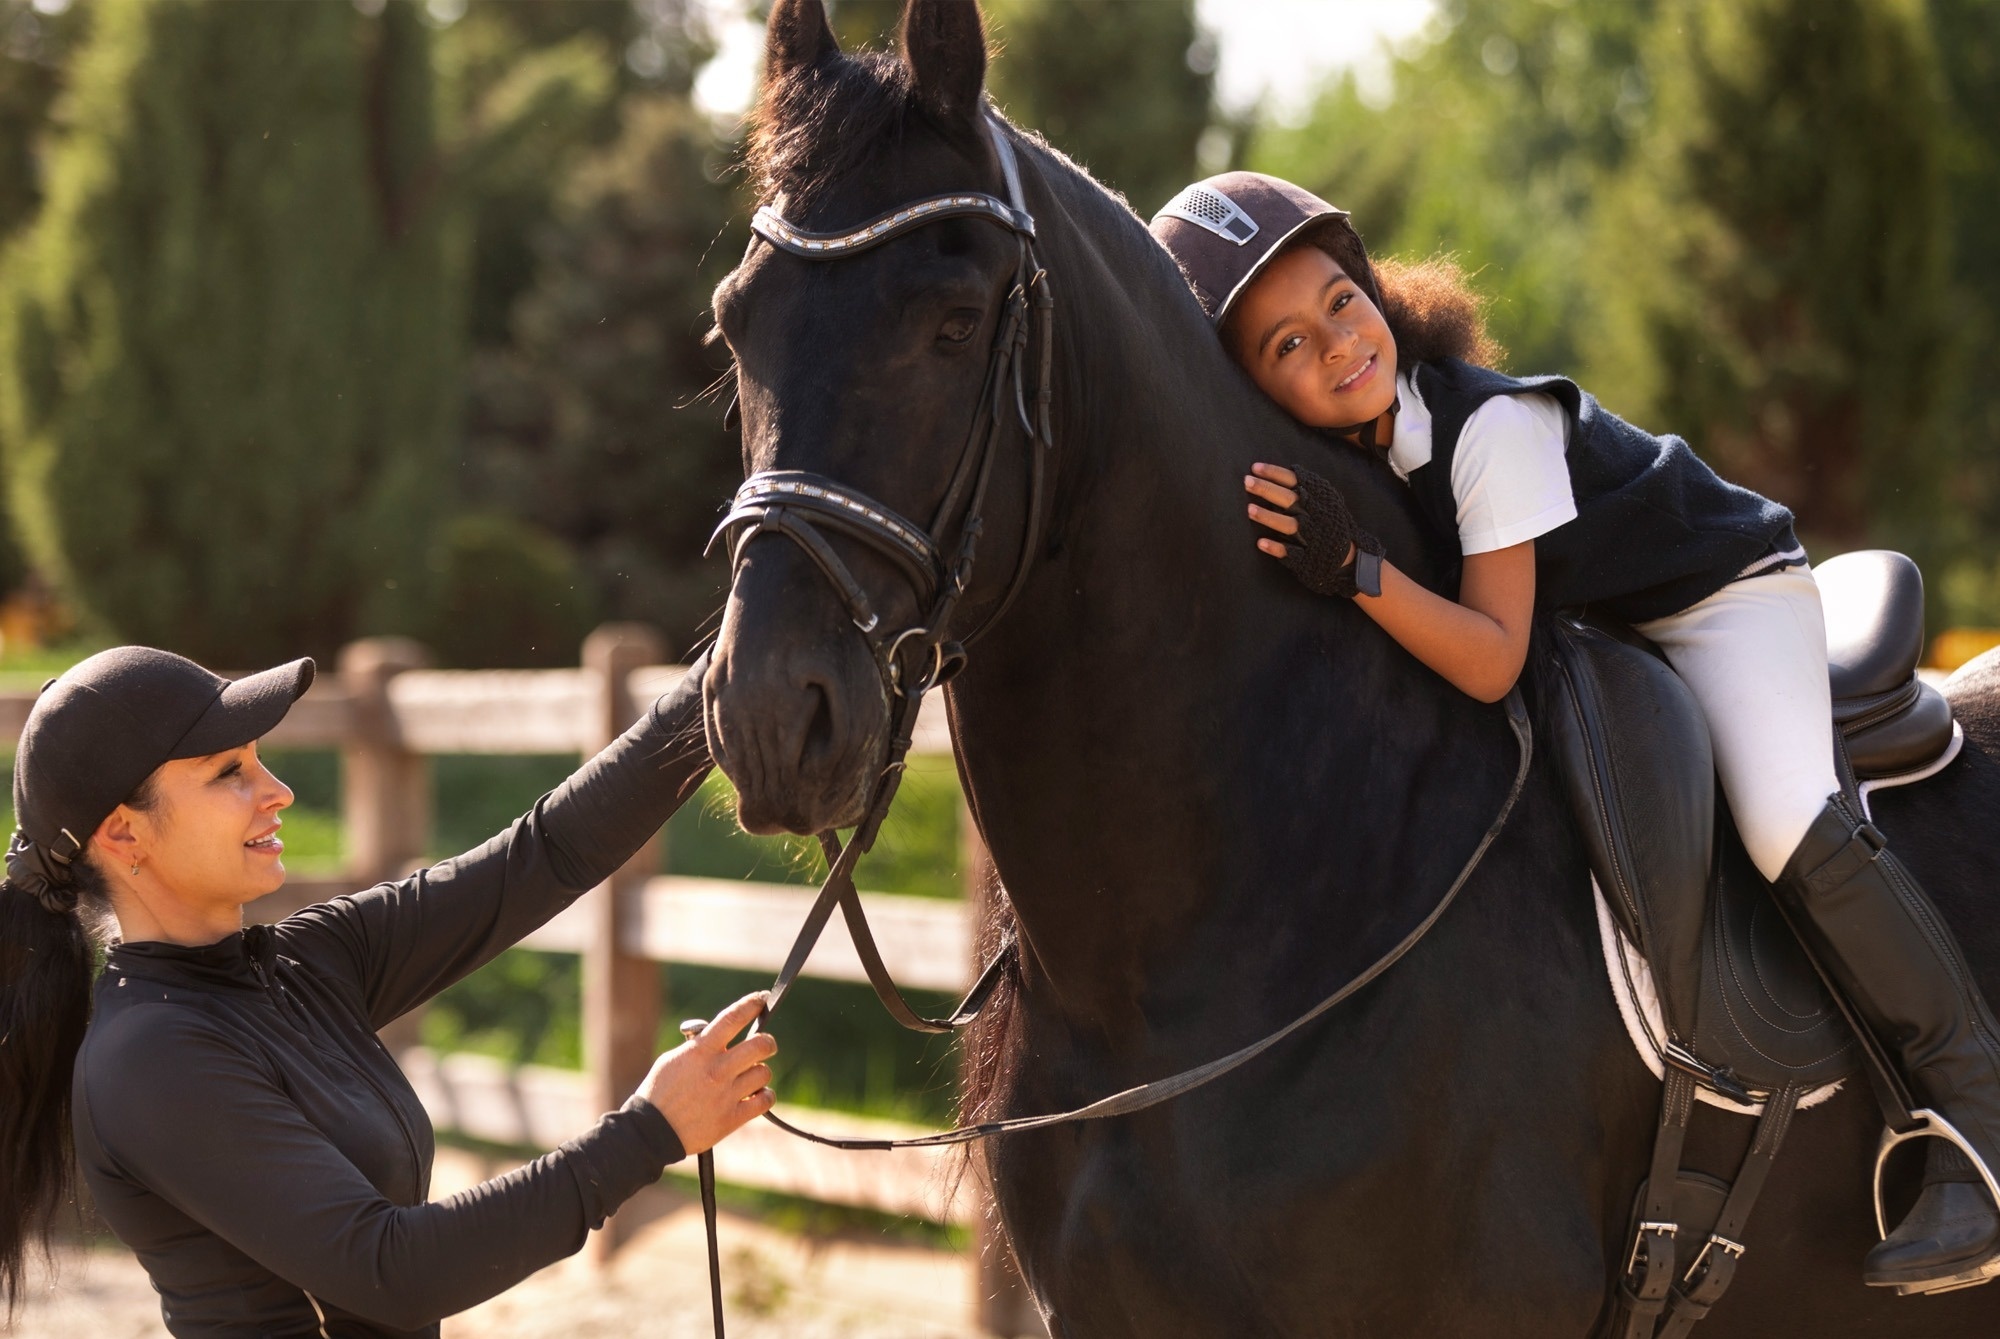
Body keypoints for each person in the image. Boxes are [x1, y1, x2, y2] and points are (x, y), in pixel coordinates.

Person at [1149, 173, 2000, 1294]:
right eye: (1287, 348)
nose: (1336, 347)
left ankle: (1974, 1112)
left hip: (1723, 595)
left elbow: (1492, 652)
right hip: (1612, 629)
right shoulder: (1360, 451)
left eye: (1339, 304)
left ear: (1369, 285)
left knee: (1782, 813)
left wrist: (1352, 572)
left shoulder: (1488, 424)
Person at [0, 645, 772, 1335]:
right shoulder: (150, 1058)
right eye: (229, 771)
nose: (278, 791)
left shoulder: (304, 962)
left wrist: (725, 672)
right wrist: (649, 1130)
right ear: (124, 834)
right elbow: (395, 1272)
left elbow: (545, 854)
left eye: (259, 760)